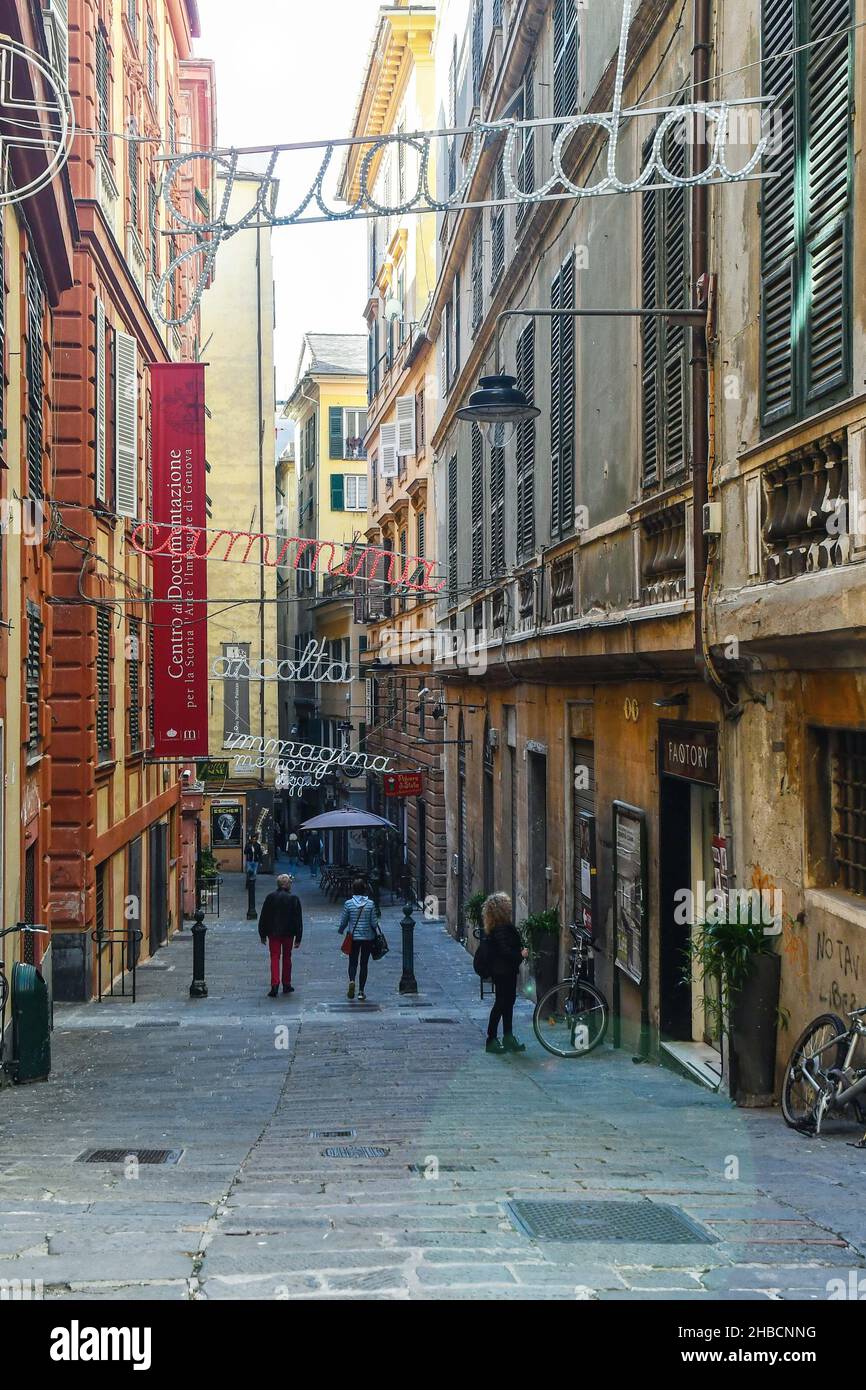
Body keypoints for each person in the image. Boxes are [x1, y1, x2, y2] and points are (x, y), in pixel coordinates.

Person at [482, 892, 529, 1054]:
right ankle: (491, 1039)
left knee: (508, 1003)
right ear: (501, 909)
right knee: (502, 1003)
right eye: (506, 904)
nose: (510, 906)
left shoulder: (500, 926)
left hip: (505, 971)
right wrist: (520, 955)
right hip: (503, 971)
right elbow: (505, 951)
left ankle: (508, 1037)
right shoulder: (501, 928)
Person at [258, 873, 303, 997]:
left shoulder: (270, 897)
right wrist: (298, 937)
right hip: (288, 933)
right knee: (287, 957)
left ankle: (275, 983)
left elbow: (264, 917)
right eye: (290, 883)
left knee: (274, 957)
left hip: (273, 932)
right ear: (287, 884)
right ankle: (286, 983)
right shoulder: (294, 898)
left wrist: (262, 934)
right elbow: (298, 920)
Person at [338, 878, 379, 1001]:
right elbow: (374, 923)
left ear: (353, 890)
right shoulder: (370, 904)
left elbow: (344, 921)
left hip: (353, 937)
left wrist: (341, 929)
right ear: (364, 889)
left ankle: (351, 981)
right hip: (368, 938)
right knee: (364, 964)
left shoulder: (348, 904)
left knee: (353, 962)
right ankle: (361, 991)